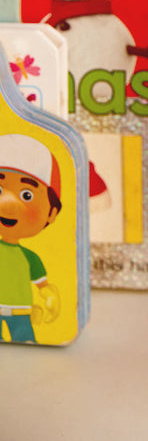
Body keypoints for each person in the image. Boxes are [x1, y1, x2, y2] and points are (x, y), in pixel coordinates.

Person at [0, 134, 62, 343]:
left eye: (27, 195)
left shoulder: (29, 258)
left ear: (51, 213)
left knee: (25, 341)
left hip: (21, 313)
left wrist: (49, 297)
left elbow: (43, 285)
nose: (7, 203)